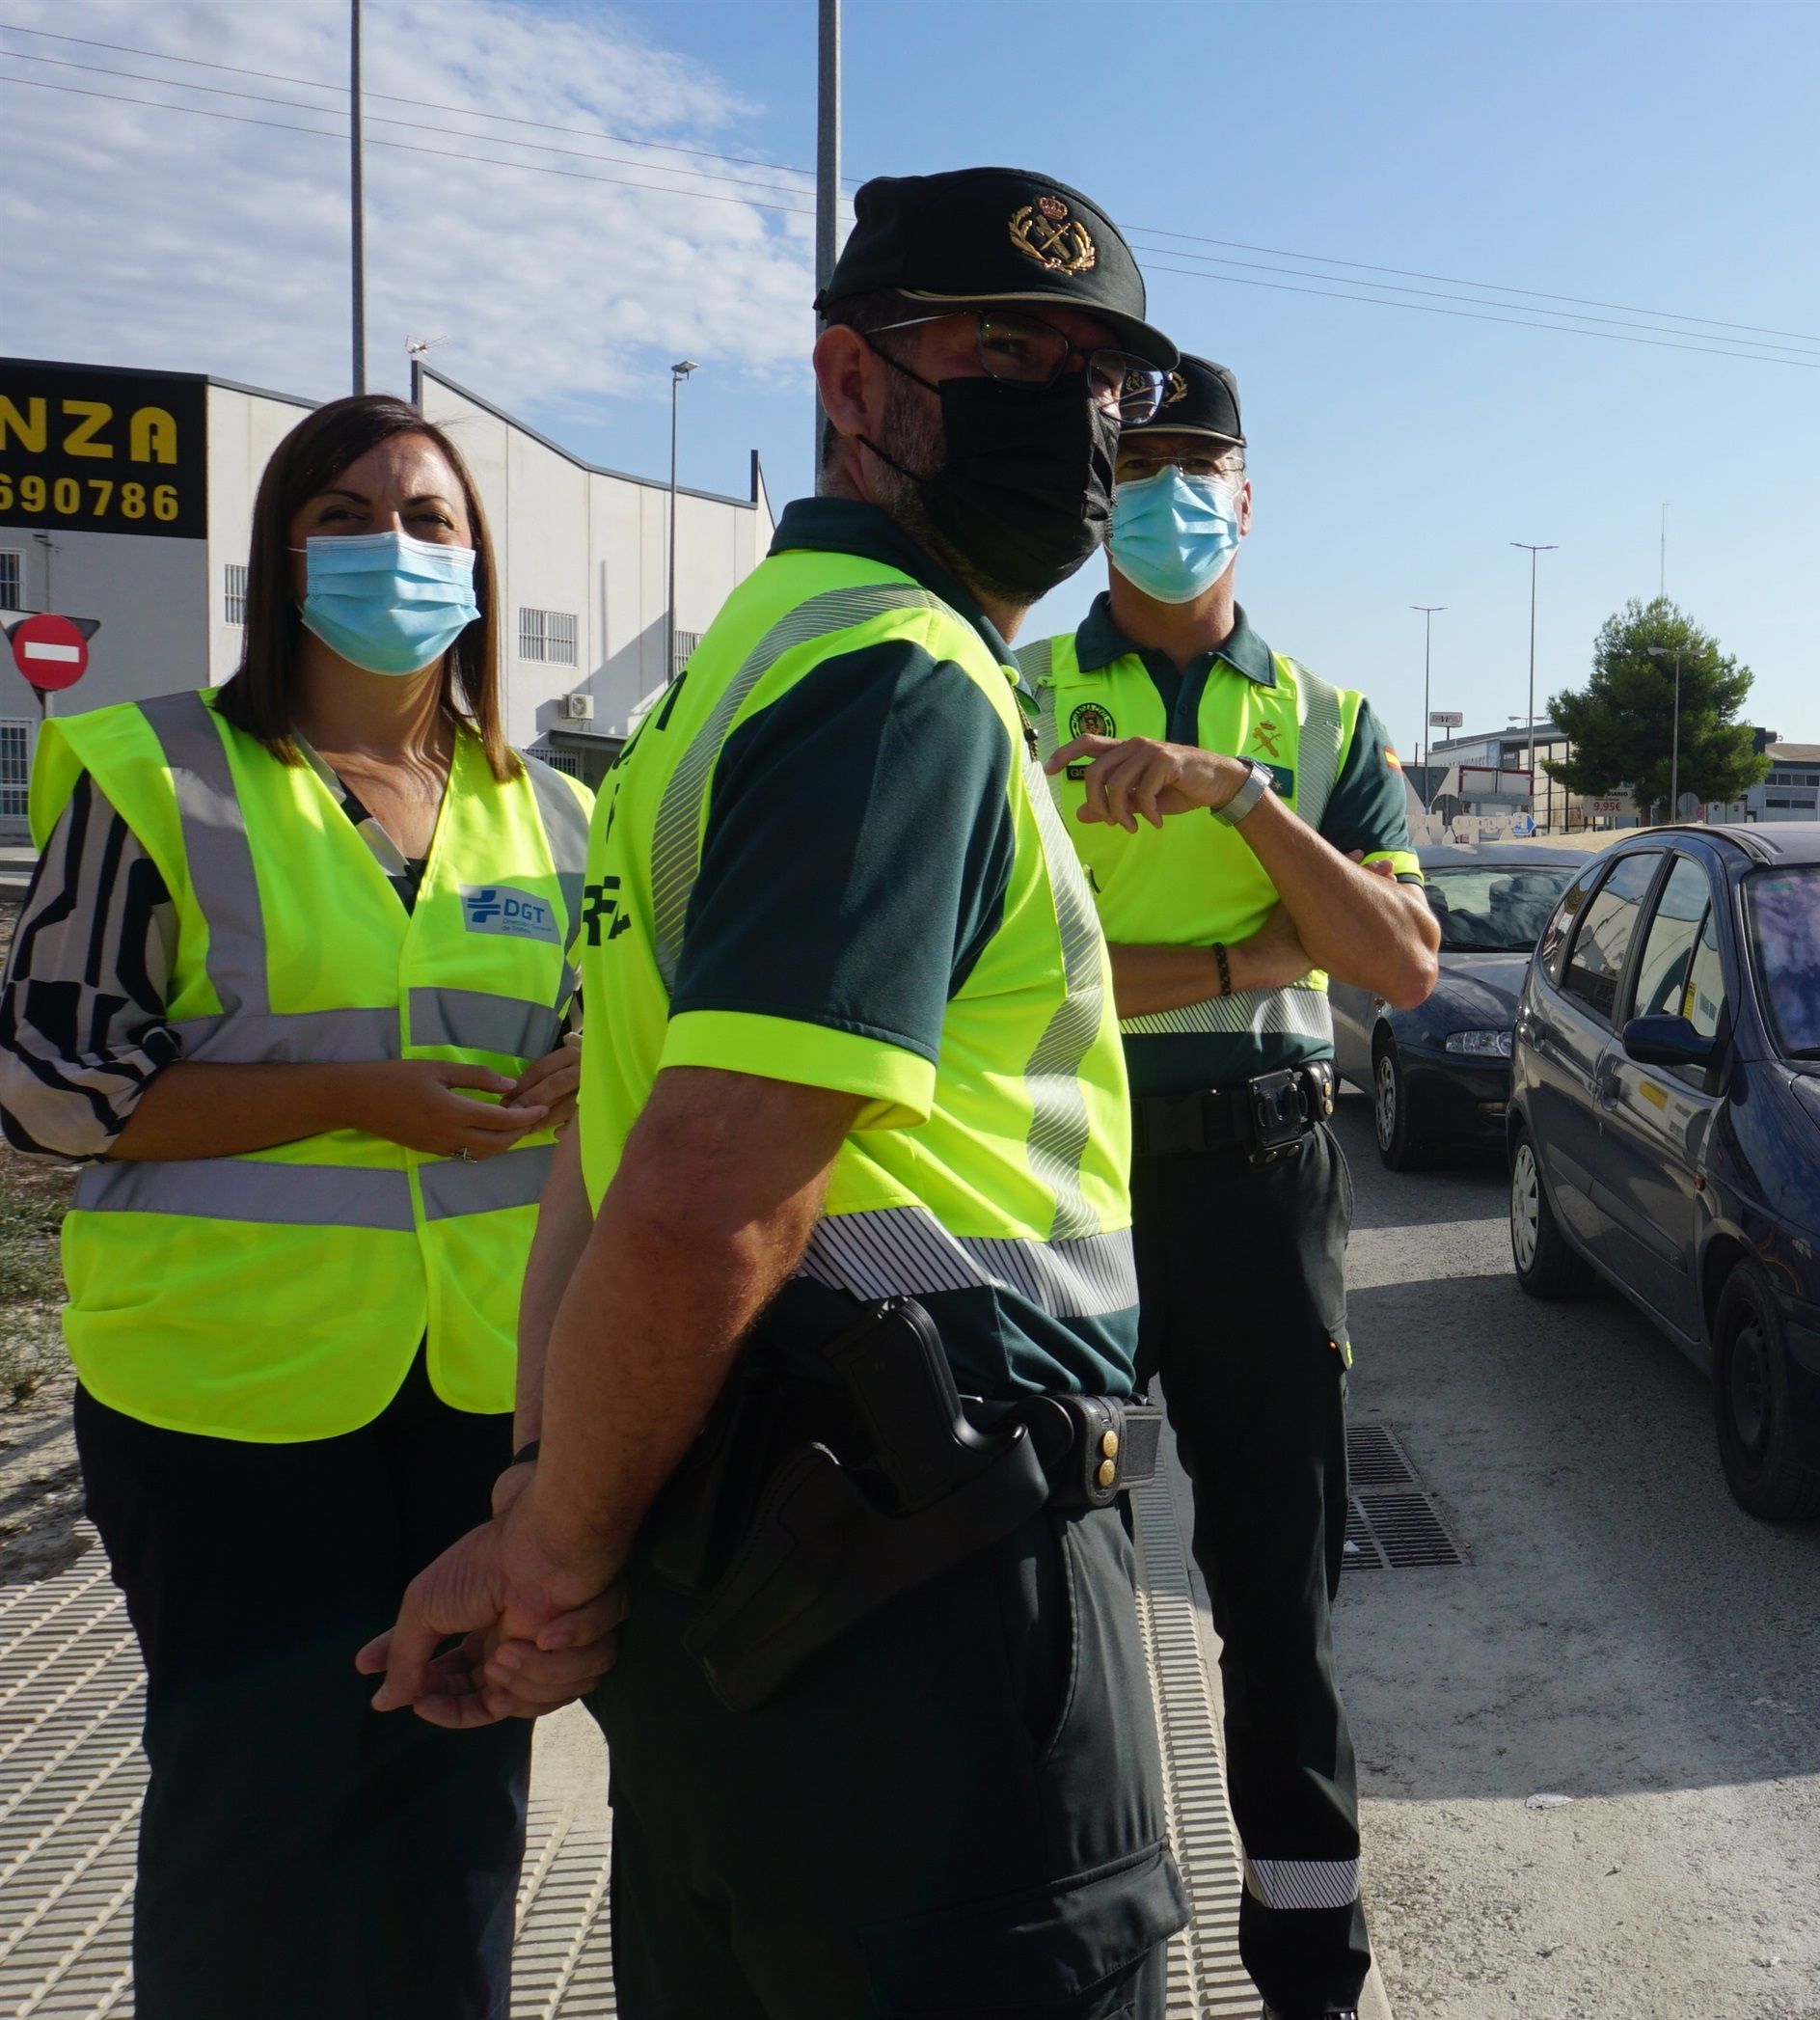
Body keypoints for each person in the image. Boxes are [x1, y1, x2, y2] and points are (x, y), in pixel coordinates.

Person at [367, 167, 1194, 2018]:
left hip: (744, 1593)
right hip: (936, 1623)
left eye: (1102, 380)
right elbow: (710, 1188)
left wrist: (537, 1499)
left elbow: (613, 1151)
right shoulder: (894, 685)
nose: (1070, 415)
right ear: (847, 379)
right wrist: (551, 1551)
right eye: (1003, 348)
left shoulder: (717, 692)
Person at [0, 393, 600, 2018]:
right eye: (344, 513)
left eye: (428, 517)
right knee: (256, 1818)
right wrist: (356, 1096)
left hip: (481, 1389)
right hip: (224, 1398)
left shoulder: (553, 815)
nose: (393, 546)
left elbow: (592, 1058)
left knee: (460, 1804)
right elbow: (50, 1082)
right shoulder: (157, 769)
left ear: (478, 561)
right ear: (280, 553)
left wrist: (576, 1079)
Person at [1019, 354, 1436, 2020]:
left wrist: (1236, 798)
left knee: (1284, 1609)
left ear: (1250, 495)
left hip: (1268, 1190)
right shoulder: (1018, 686)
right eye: (1146, 462)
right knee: (1045, 1599)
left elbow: (1399, 961)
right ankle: (1067, 1960)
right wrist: (1253, 947)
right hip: (1065, 1188)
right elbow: (1017, 979)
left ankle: (1310, 1981)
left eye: (1205, 464)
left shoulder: (1324, 722)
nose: (1174, 493)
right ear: (1102, 488)